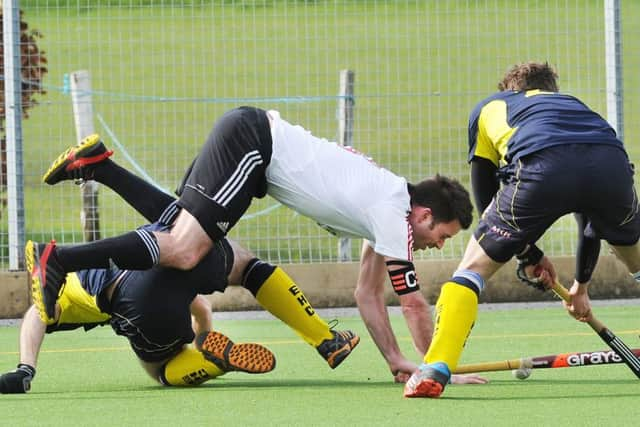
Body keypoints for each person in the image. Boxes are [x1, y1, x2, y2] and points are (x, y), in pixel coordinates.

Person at [29, 107, 474, 381]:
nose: (437, 246)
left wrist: (397, 361)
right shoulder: (394, 213)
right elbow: (412, 303)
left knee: (179, 231)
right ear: (425, 215)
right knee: (185, 248)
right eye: (443, 236)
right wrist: (437, 367)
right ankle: (58, 259)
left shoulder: (388, 210)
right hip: (253, 144)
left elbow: (368, 294)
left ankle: (99, 166)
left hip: (251, 148)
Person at [404, 61, 640, 398]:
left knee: (471, 270)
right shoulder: (576, 107)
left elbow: (488, 201)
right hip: (612, 169)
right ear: (551, 91)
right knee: (637, 261)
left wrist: (526, 253)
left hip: (540, 166)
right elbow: (591, 221)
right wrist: (580, 285)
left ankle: (435, 368)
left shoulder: (491, 106)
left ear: (511, 90)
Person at [0, 278, 273, 393]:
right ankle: (207, 354)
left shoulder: (62, 297)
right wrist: (204, 336)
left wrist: (26, 369)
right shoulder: (85, 261)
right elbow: (202, 306)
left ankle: (211, 364)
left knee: (160, 373)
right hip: (148, 274)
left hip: (124, 304)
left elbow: (37, 314)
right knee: (188, 324)